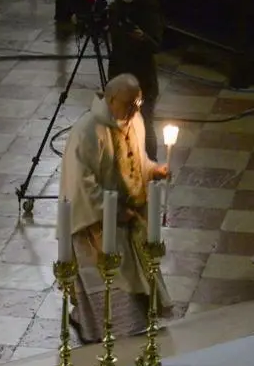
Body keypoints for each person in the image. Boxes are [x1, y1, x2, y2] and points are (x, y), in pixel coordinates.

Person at [59, 74, 172, 344]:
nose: (135, 109)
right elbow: (81, 184)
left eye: (139, 103)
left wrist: (154, 171)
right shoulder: (87, 130)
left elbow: (136, 162)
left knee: (135, 285)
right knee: (111, 291)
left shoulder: (135, 121)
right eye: (129, 104)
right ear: (110, 99)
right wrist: (111, 211)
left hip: (127, 219)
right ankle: (93, 330)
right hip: (95, 223)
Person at [108, 0, 164, 160]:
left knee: (144, 122)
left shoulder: (148, 12)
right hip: (121, 77)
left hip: (143, 81)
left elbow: (156, 45)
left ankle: (150, 162)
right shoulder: (115, 10)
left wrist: (143, 38)